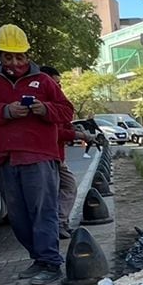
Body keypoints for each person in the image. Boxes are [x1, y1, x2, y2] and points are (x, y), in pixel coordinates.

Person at [0, 24, 72, 285]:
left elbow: (66, 111)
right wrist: (6, 111)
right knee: (18, 217)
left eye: (20, 57)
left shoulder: (45, 82)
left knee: (43, 212)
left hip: (39, 157)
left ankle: (51, 263)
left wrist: (44, 109)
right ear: (0, 56)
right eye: (8, 57)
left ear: (28, 56)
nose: (15, 63)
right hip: (7, 158)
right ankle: (38, 259)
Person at [42, 66, 93, 236]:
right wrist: (78, 134)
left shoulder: (55, 101)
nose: (58, 87)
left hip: (56, 156)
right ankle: (58, 224)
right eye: (54, 83)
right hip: (49, 156)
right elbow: (54, 132)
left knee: (64, 188)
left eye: (59, 83)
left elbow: (62, 123)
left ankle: (59, 223)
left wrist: (74, 129)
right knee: (67, 187)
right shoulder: (43, 104)